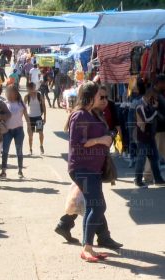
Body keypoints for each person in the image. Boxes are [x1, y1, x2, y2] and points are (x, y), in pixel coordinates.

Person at [55, 85, 123, 250]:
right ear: (91, 97)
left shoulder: (92, 114)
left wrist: (108, 137)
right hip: (83, 168)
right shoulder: (80, 115)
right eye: (101, 97)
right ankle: (88, 245)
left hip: (93, 168)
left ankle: (93, 240)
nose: (104, 100)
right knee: (96, 206)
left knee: (94, 205)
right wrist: (101, 139)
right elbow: (78, 144)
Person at [134, 87, 165, 188]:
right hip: (143, 138)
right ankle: (138, 181)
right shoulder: (140, 106)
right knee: (141, 160)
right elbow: (146, 119)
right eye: (154, 97)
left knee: (154, 159)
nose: (156, 99)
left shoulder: (148, 105)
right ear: (150, 96)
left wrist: (155, 109)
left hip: (150, 137)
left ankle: (158, 179)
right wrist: (155, 111)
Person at [0, 85, 32, 179]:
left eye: (10, 91)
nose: (8, 93)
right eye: (7, 91)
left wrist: (29, 127)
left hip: (18, 131)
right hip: (7, 131)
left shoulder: (21, 104)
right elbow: (1, 116)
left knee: (19, 151)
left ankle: (20, 171)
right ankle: (3, 171)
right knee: (5, 151)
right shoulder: (4, 103)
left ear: (15, 93)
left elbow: (26, 116)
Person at [24, 82, 46, 155]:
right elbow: (23, 108)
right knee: (30, 135)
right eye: (31, 88)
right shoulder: (27, 96)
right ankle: (30, 149)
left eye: (33, 87)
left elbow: (44, 106)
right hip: (30, 118)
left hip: (38, 117)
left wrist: (45, 117)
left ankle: (41, 145)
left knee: (41, 133)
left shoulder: (39, 95)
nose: (33, 89)